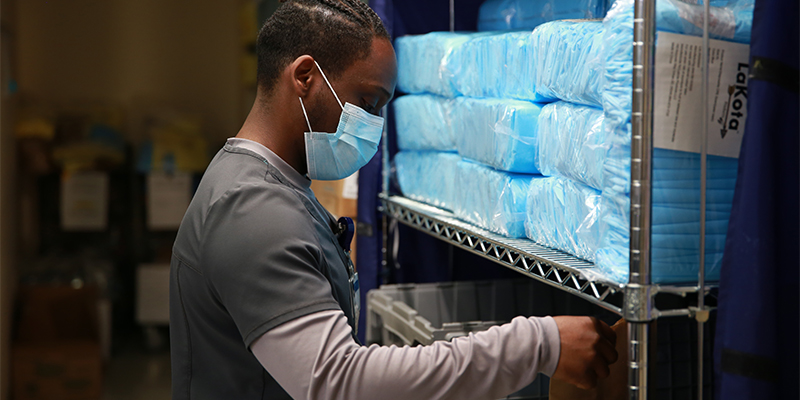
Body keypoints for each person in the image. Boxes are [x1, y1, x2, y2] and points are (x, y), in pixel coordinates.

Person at [169, 0, 618, 399]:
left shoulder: (277, 186)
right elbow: (335, 379)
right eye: (367, 101)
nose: (375, 125)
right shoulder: (251, 209)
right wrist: (537, 345)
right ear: (304, 76)